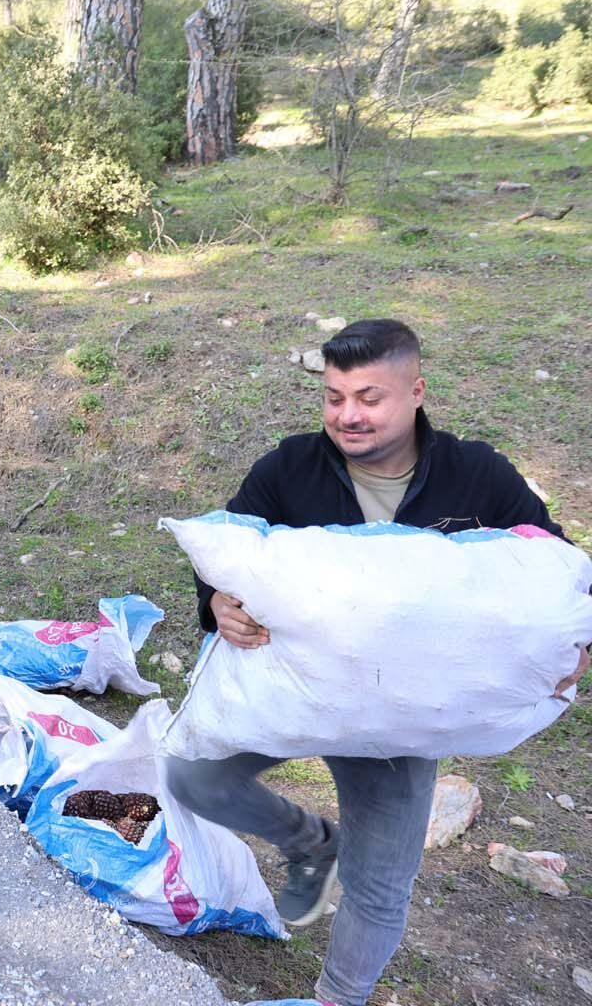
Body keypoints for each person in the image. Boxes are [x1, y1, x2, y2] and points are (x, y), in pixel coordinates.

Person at [163, 318, 590, 1006]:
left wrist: (578, 644)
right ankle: (308, 841)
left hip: (403, 721)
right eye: (334, 398)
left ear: (415, 392)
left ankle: (340, 996)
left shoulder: (474, 473)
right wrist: (216, 601)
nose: (347, 415)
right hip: (298, 693)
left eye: (368, 397)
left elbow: (559, 566)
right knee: (193, 780)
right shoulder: (289, 467)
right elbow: (230, 544)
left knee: (381, 884)